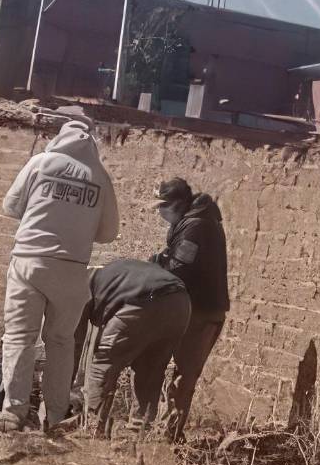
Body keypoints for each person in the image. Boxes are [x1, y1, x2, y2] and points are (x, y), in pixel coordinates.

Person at [0, 119, 119, 432]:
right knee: (62, 342)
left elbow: (10, 206)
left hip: (29, 262)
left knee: (20, 337)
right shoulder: (101, 176)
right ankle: (56, 416)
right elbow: (108, 233)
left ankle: (14, 412)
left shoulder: (42, 163)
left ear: (60, 138)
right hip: (73, 269)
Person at [151, 178, 230, 442]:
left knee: (184, 375)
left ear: (180, 204)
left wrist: (157, 265)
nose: (160, 212)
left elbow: (179, 269)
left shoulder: (196, 226)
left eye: (164, 206)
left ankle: (169, 436)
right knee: (179, 373)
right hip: (196, 309)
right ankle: (165, 431)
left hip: (202, 312)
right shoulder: (192, 222)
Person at [73, 259, 190, 435]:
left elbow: (74, 342)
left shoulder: (80, 288)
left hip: (141, 301)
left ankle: (91, 427)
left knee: (103, 363)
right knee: (150, 371)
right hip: (180, 304)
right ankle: (140, 430)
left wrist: (65, 388)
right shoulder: (115, 272)